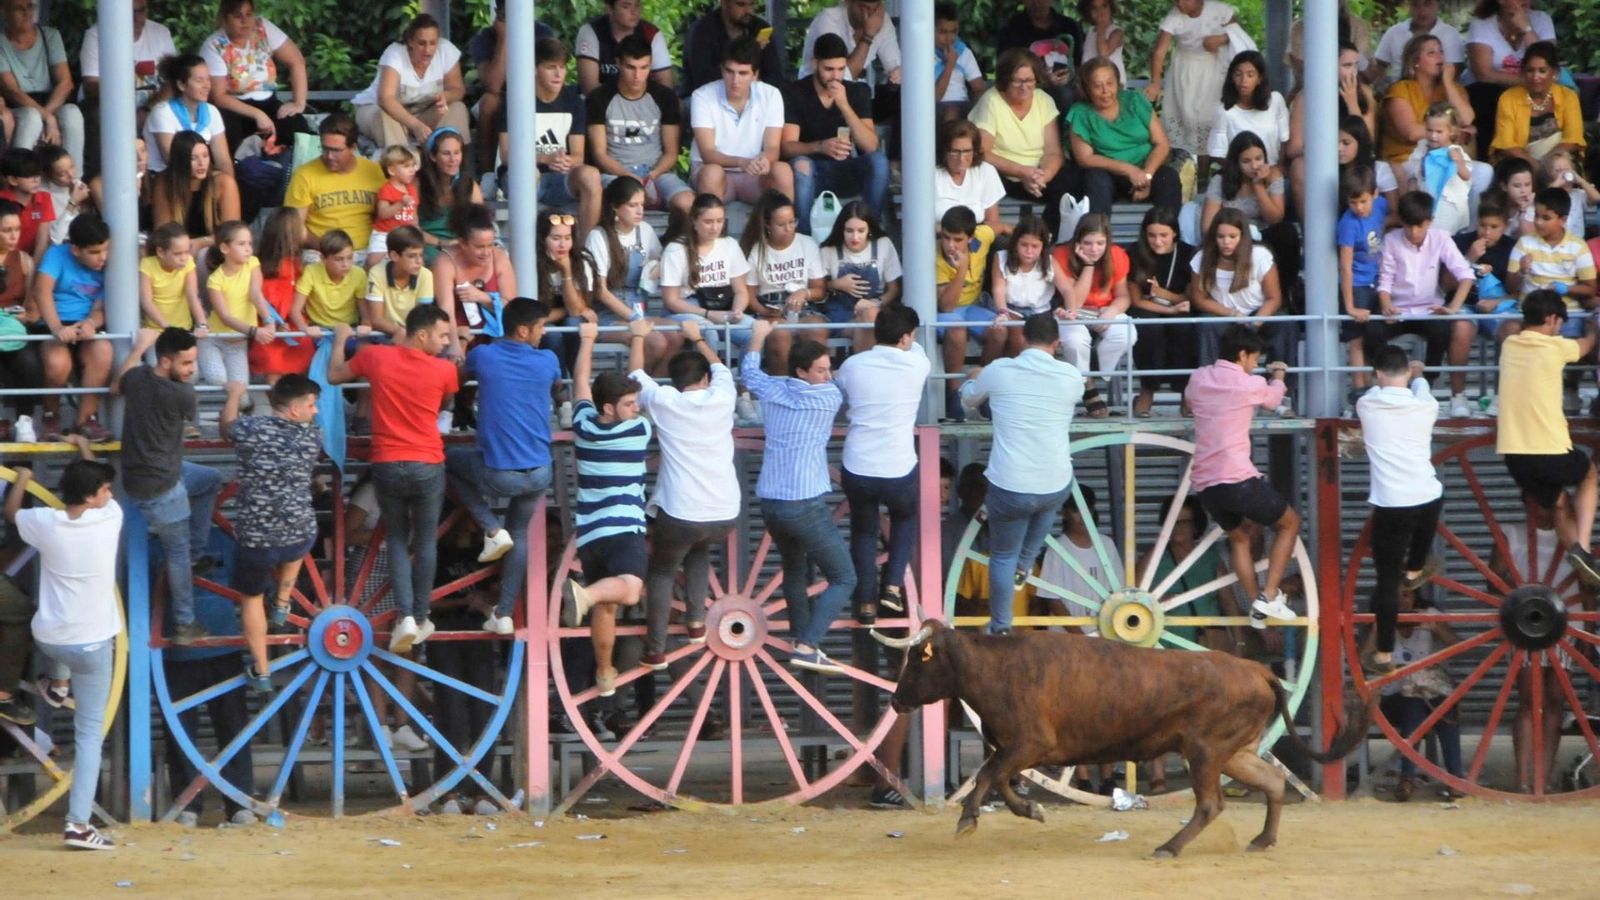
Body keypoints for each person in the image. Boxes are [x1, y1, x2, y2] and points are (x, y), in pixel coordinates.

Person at [7, 438, 120, 850]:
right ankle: (77, 824)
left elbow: (12, 512)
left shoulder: (46, 523)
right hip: (90, 647)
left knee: (60, 642)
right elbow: (95, 482)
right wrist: (85, 446)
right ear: (92, 498)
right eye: (105, 489)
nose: (110, 494)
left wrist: (21, 477)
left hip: (49, 640)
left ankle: (56, 685)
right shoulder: (109, 519)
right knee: (89, 736)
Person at [327, 305, 459, 652]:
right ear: (422, 335)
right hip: (428, 462)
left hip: (386, 462)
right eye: (443, 335)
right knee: (426, 541)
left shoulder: (376, 358)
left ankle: (405, 618)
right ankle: (421, 612)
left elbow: (334, 375)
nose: (448, 342)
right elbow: (447, 397)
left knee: (397, 539)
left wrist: (341, 338)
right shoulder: (445, 370)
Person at [959, 313, 1084, 634]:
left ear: (1023, 340)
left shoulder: (1000, 370)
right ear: (1056, 344)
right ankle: (1026, 563)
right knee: (1048, 500)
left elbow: (968, 400)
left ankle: (1000, 626)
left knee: (1001, 555)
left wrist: (975, 375)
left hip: (1010, 485)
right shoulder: (1071, 376)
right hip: (1054, 482)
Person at [741, 319, 856, 672]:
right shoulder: (829, 397)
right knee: (844, 578)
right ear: (803, 372)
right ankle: (807, 644)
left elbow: (749, 372)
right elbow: (837, 388)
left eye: (829, 369)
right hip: (804, 502)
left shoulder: (773, 390)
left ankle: (798, 637)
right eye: (821, 370)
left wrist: (759, 335)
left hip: (771, 502)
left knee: (793, 569)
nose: (828, 375)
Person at [445, 298, 559, 635]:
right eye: (541, 328)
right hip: (540, 472)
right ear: (524, 331)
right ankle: (504, 613)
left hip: (498, 474)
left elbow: (456, 380)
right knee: (521, 533)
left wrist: (462, 342)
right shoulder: (548, 360)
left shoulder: (485, 356)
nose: (544, 334)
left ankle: (491, 528)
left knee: (445, 460)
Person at [633, 318, 740, 670]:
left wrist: (637, 335)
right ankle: (695, 621)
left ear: (674, 382)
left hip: (680, 511)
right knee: (700, 549)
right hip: (725, 511)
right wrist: (697, 337)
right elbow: (722, 368)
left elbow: (635, 375)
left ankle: (656, 648)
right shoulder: (723, 397)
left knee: (662, 572)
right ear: (705, 379)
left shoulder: (665, 400)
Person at [1183, 324, 1301, 628]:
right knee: (1290, 524)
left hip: (1207, 485)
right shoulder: (1248, 383)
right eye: (1253, 359)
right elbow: (1273, 401)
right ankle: (1269, 594)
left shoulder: (1198, 378)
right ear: (1242, 354)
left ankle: (1256, 606)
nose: (1254, 365)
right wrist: (1278, 377)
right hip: (1237, 478)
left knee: (1238, 538)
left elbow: (1189, 402)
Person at [112, 327, 221, 645]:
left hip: (145, 476)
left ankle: (196, 553)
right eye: (187, 363)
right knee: (177, 553)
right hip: (162, 486)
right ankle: (185, 623)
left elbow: (115, 386)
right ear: (165, 361)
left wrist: (138, 348)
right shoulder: (183, 394)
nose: (193, 370)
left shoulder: (138, 379)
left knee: (210, 480)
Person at [566, 317, 652, 695]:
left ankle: (605, 673)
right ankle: (582, 595)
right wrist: (638, 337)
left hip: (590, 533)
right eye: (629, 404)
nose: (636, 409)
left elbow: (580, 382)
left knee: (606, 607)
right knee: (630, 591)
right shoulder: (637, 431)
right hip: (623, 528)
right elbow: (640, 373)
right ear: (611, 408)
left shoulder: (583, 426)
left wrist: (587, 341)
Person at [219, 374, 320, 691]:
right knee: (304, 539)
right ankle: (282, 602)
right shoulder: (312, 437)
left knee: (250, 598)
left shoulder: (250, 430)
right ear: (294, 410)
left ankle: (261, 671)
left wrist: (235, 392)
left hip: (256, 538)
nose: (315, 412)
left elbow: (226, 428)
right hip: (297, 532)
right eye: (311, 405)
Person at [1497, 290, 1600, 586]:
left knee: (1558, 504)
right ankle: (1581, 546)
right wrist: (1593, 327)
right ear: (1552, 319)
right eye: (1560, 323)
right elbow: (1586, 345)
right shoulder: (1555, 347)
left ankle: (1585, 568)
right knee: (1589, 474)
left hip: (1515, 457)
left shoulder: (1510, 345)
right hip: (1548, 450)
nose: (1560, 329)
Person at [834, 303, 929, 621]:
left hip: (858, 465)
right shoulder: (918, 365)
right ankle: (891, 586)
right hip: (898, 467)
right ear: (906, 337)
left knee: (863, 531)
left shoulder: (852, 366)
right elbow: (913, 348)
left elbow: (841, 392)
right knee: (904, 519)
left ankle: (864, 601)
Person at [1356, 347, 1444, 675]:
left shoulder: (1367, 404)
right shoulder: (1426, 406)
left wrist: (1392, 375)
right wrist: (1418, 374)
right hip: (1426, 497)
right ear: (1406, 372)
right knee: (1432, 504)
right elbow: (1420, 385)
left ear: (1377, 373)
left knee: (1386, 582)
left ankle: (1382, 654)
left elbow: (1379, 386)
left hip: (1391, 504)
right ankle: (1416, 567)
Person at [782, 34, 888, 235]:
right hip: (812, 171)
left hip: (846, 169)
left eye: (840, 69)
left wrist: (845, 106)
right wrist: (820, 146)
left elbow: (871, 146)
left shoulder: (857, 91)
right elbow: (787, 146)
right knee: (801, 165)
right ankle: (803, 239)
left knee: (879, 161)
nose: (835, 76)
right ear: (815, 64)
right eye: (828, 69)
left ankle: (872, 232)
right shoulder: (795, 92)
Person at [587, 35, 694, 221]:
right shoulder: (599, 98)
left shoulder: (665, 97)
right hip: (615, 175)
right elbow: (599, 154)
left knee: (688, 203)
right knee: (627, 201)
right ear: (618, 63)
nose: (637, 75)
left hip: (656, 173)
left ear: (651, 65)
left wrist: (652, 175)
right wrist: (628, 176)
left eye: (644, 68)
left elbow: (671, 152)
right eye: (631, 67)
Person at [1371, 191, 1477, 375]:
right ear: (1401, 222)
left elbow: (1465, 274)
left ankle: (1428, 380)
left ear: (1430, 221)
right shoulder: (1391, 240)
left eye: (1419, 226)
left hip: (1429, 310)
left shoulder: (1441, 237)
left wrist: (1453, 307)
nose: (1414, 232)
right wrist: (1387, 306)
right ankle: (1388, 380)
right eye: (1408, 226)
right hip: (1398, 310)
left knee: (1442, 330)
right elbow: (1385, 279)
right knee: (1373, 333)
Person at [969, 49, 1072, 235]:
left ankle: (1044, 238)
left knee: (1068, 184)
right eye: (1017, 81)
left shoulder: (1044, 100)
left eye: (1029, 81)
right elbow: (982, 152)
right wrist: (1022, 171)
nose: (1024, 87)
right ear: (1005, 80)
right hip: (1003, 174)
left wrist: (1042, 177)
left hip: (1037, 174)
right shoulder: (991, 101)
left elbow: (1053, 152)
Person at [1063, 56, 1182, 215]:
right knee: (1095, 179)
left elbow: (1161, 143)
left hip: (1146, 170)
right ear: (1087, 88)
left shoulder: (1135, 100)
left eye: (1110, 84)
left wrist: (1146, 177)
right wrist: (1128, 170)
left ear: (1118, 83)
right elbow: (1085, 158)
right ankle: (1097, 236)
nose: (1105, 91)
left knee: (1169, 177)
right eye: (1098, 86)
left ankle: (1166, 234)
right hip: (1108, 175)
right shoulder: (1080, 112)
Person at [33, 214, 112, 440]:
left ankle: (86, 419)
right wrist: (57, 327)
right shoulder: (56, 254)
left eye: (105, 250)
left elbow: (100, 306)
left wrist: (90, 323)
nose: (102, 258)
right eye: (95, 253)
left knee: (103, 351)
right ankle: (51, 414)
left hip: (86, 323)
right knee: (58, 363)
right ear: (76, 250)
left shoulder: (108, 265)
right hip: (54, 323)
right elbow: (42, 291)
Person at [689, 37, 793, 204]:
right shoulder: (702, 96)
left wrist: (765, 160)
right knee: (712, 172)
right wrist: (741, 162)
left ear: (755, 74)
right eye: (730, 72)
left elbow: (773, 147)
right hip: (715, 173)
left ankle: (782, 227)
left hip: (753, 175)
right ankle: (712, 228)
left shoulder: (771, 95)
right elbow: (707, 154)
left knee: (783, 170)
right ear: (721, 70)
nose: (735, 81)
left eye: (743, 73)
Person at [201, 0, 312, 153]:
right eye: (237, 16)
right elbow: (218, 96)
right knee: (228, 139)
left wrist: (299, 103)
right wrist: (257, 114)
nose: (244, 21)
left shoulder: (263, 28)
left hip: (269, 102)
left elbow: (296, 61)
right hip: (234, 108)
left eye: (249, 14)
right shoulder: (214, 45)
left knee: (298, 130)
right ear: (225, 18)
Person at [1054, 213, 1136, 418]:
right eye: (1087, 243)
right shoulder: (1061, 254)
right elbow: (1076, 302)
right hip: (1071, 310)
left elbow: (1124, 296)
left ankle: (1093, 370)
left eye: (1100, 243)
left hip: (1104, 309)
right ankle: (1088, 385)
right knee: (1074, 341)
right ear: (1077, 241)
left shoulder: (1116, 254)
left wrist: (1111, 312)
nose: (1094, 249)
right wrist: (1088, 265)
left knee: (1128, 333)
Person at [1189, 208, 1290, 370]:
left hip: (1257, 315)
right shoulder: (1201, 258)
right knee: (1205, 325)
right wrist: (1232, 314)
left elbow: (1274, 298)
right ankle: (1209, 380)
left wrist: (1256, 321)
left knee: (1285, 324)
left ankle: (1281, 383)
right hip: (1223, 315)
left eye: (1232, 237)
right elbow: (1199, 299)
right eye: (1220, 237)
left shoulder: (1260, 255)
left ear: (1243, 236)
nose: (1226, 242)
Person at [353, 14, 470, 151]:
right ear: (410, 41)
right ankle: (400, 163)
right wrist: (415, 125)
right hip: (377, 110)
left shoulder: (446, 50)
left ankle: (453, 166)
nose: (427, 51)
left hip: (423, 113)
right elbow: (385, 99)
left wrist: (446, 96)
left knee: (458, 108)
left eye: (433, 43)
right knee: (385, 117)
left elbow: (457, 89)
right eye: (422, 43)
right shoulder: (395, 53)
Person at [740, 189, 827, 369]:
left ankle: (816, 385)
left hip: (803, 306)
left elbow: (819, 289)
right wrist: (765, 311)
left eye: (792, 222)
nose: (789, 229)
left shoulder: (807, 243)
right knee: (780, 333)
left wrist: (805, 293)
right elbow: (749, 295)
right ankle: (781, 385)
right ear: (768, 225)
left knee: (816, 329)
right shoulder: (757, 250)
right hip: (771, 306)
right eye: (781, 224)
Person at [1144, 0, 1239, 158]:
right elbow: (1159, 53)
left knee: (1210, 117)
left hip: (1214, 68)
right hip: (1185, 71)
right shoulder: (1174, 17)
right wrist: (1155, 83)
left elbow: (1237, 31)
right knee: (1188, 116)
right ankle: (1189, 170)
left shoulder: (1219, 9)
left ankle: (1210, 167)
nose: (1180, 4)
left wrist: (1221, 39)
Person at [1129, 205, 1198, 418]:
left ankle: (1186, 392)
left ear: (1174, 233)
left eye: (1163, 235)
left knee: (1185, 328)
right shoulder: (1134, 252)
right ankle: (1147, 390)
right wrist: (1169, 308)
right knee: (1148, 326)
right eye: (1152, 235)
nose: (1157, 241)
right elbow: (1136, 300)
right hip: (1148, 309)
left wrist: (1165, 295)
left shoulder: (1188, 253)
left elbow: (1192, 296)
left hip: (1180, 308)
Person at [1465, 0, 1557, 158]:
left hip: (1531, 91)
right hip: (1488, 92)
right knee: (1488, 95)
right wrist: (1531, 81)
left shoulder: (1542, 19)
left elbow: (1547, 63)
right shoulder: (1482, 23)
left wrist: (1527, 29)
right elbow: (1483, 73)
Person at [532, 38, 602, 239]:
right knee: (530, 173)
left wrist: (566, 160)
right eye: (551, 67)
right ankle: (530, 247)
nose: (558, 74)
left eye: (562, 67)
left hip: (561, 177)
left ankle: (586, 249)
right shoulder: (518, 97)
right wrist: (545, 158)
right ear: (535, 69)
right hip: (525, 178)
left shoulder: (574, 101)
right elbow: (508, 153)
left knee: (591, 175)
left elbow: (578, 154)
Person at [284, 113, 385, 253]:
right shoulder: (304, 175)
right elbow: (294, 227)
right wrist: (327, 249)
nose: (329, 156)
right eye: (325, 149)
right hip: (321, 251)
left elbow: (385, 215)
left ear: (353, 148)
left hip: (368, 250)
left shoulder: (373, 171)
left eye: (337, 151)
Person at [0, 0, 81, 167]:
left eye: (30, 6)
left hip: (50, 100)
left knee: (72, 113)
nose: (26, 12)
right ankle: (19, 174)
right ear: (4, 11)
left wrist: (48, 115)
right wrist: (47, 117)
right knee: (31, 117)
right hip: (19, 104)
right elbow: (11, 90)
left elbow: (65, 83)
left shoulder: (49, 35)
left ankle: (75, 178)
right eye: (19, 8)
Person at [431, 203, 517, 360]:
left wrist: (481, 297)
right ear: (462, 244)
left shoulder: (499, 257)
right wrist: (455, 346)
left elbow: (512, 306)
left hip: (495, 336)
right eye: (479, 247)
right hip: (456, 333)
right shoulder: (445, 262)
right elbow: (446, 310)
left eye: (490, 245)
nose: (486, 252)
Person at [818, 201, 901, 352]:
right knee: (868, 324)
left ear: (869, 230)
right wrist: (836, 284)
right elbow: (818, 288)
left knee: (871, 315)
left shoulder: (883, 244)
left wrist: (875, 302)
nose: (855, 237)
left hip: (877, 308)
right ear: (841, 230)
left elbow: (894, 289)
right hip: (841, 311)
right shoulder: (828, 250)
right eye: (849, 231)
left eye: (861, 231)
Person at [1381, 34, 1476, 167]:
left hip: (1445, 158)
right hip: (1407, 158)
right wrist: (1455, 131)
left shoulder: (1454, 89)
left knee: (1485, 172)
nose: (1440, 56)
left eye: (1441, 51)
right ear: (1415, 61)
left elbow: (1466, 119)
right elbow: (1412, 133)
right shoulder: (1401, 89)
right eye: (1431, 53)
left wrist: (1448, 82)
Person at [201, 220, 274, 391]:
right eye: (242, 244)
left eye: (250, 243)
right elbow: (225, 317)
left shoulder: (253, 263)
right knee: (217, 379)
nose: (248, 248)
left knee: (241, 393)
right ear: (225, 248)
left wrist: (269, 320)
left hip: (238, 344)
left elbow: (256, 293)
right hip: (213, 340)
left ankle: (235, 411)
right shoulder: (215, 280)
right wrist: (255, 331)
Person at [1488, 41, 1583, 165]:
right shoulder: (1508, 98)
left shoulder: (1568, 96)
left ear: (1554, 73)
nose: (1535, 77)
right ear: (1523, 72)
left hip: (1558, 163)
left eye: (1542, 71)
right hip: (1520, 164)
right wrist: (1534, 166)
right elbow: (1505, 143)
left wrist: (1549, 165)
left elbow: (1573, 139)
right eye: (1530, 70)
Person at [1338, 165, 1387, 400]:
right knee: (1356, 339)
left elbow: (1393, 213)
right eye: (1353, 202)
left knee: (1374, 336)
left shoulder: (1380, 206)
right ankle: (1359, 389)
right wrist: (1349, 305)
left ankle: (1376, 387)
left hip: (1377, 282)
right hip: (1357, 284)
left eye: (1363, 201)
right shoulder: (1348, 223)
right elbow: (1345, 266)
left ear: (1374, 194)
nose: (1358, 208)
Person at [990, 213, 1067, 359]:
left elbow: (1067, 289)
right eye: (1024, 245)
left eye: (1035, 246)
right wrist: (1003, 312)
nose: (1029, 251)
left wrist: (1071, 310)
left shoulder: (1049, 262)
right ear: (1015, 243)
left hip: (1041, 312)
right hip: (1011, 310)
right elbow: (998, 289)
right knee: (1018, 340)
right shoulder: (1001, 258)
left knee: (1043, 343)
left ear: (1043, 246)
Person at [151, 132, 241, 254]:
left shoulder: (223, 183)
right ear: (181, 160)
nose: (201, 163)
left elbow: (233, 233)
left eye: (205, 156)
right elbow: (162, 232)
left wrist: (201, 242)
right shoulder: (165, 183)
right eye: (193, 158)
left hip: (213, 249)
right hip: (177, 250)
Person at [144, 54, 232, 177]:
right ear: (181, 85)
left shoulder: (212, 111)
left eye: (208, 79)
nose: (207, 85)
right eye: (199, 80)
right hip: (167, 179)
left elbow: (223, 162)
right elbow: (172, 161)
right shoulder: (163, 112)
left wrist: (227, 182)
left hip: (200, 177)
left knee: (226, 181)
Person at [79, 0, 175, 112]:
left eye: (141, 10)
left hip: (152, 108)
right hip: (110, 108)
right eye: (130, 12)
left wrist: (148, 110)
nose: (137, 18)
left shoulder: (160, 32)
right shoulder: (96, 35)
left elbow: (173, 82)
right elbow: (91, 85)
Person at [1205, 51, 1289, 173]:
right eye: (1238, 74)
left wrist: (1276, 169)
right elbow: (1218, 153)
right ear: (1232, 77)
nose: (1243, 80)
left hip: (1273, 172)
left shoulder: (1275, 101)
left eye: (1250, 75)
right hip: (1240, 177)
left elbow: (1284, 139)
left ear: (1259, 78)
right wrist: (1247, 171)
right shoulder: (1224, 111)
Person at [993, 0, 1085, 109]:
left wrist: (1071, 76)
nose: (1037, 2)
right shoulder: (1012, 28)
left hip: (1066, 85)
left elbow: (1081, 63)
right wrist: (1040, 80)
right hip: (1027, 85)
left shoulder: (1069, 26)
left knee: (1068, 94)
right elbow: (1005, 68)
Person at [1403, 103, 1477, 237]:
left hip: (1448, 203)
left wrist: (1458, 162)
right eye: (1429, 130)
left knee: (1436, 236)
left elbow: (1466, 176)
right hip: (1426, 202)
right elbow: (1414, 176)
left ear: (1451, 131)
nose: (1433, 136)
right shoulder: (1422, 147)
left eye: (1439, 132)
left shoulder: (1455, 151)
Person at [683, 0, 786, 94]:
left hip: (757, 97)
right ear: (724, 3)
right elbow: (703, 79)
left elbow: (775, 76)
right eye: (741, 4)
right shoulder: (702, 32)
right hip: (707, 97)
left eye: (752, 4)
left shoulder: (760, 28)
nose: (748, 11)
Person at [576, 0, 675, 94]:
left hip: (644, 102)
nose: (634, 11)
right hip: (600, 103)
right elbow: (589, 88)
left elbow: (666, 85)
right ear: (609, 9)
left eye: (637, 5)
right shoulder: (591, 32)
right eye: (626, 6)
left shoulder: (651, 33)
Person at [1201, 131, 1286, 237]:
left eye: (1258, 158)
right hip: (1231, 237)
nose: (1254, 166)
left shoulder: (1273, 176)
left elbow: (1275, 219)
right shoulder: (1220, 180)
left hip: (1262, 233)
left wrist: (1258, 186)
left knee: (1286, 231)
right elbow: (1207, 226)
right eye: (1246, 161)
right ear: (1236, 162)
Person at [416, 127, 482, 262]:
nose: (453, 159)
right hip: (425, 243)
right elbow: (409, 226)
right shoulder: (418, 183)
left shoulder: (470, 186)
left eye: (457, 153)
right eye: (446, 153)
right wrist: (441, 243)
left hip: (460, 243)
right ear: (433, 156)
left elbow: (478, 223)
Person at [799, 0, 902, 84]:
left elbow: (895, 66)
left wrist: (897, 75)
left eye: (875, 9)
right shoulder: (828, 19)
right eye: (864, 7)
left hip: (851, 92)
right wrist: (868, 35)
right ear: (848, 2)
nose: (870, 14)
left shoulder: (881, 20)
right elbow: (841, 77)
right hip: (813, 92)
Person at [934, 119, 1007, 235]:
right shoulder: (931, 175)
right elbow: (920, 226)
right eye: (955, 151)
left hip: (976, 242)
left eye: (967, 151)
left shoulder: (986, 171)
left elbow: (992, 223)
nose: (961, 158)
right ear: (944, 150)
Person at [1370, 0, 1467, 88]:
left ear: (1437, 5)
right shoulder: (1394, 32)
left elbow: (1454, 71)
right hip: (1399, 91)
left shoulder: (1450, 34)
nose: (1421, 10)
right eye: (1415, 4)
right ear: (1409, 6)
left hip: (1439, 93)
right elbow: (1379, 66)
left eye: (1427, 4)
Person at [361, 226, 431, 341]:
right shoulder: (377, 273)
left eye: (421, 255)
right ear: (394, 256)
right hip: (382, 334)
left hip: (413, 335)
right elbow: (376, 320)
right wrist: (399, 331)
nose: (419, 262)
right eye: (412, 256)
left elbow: (422, 318)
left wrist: (407, 335)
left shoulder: (426, 275)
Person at [139, 222, 205, 335]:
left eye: (187, 252)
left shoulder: (188, 262)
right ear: (160, 252)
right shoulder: (147, 265)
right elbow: (147, 302)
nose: (184, 258)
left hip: (184, 329)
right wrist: (168, 328)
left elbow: (192, 295)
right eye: (177, 254)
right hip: (155, 330)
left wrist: (202, 324)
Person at [366, 145, 420, 267]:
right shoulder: (387, 189)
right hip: (384, 233)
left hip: (404, 234)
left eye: (413, 165)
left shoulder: (412, 190)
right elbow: (383, 213)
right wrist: (400, 204)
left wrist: (416, 228)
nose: (412, 170)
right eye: (406, 166)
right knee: (373, 261)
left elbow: (414, 214)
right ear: (392, 170)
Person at [934, 4, 986, 120]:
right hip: (934, 107)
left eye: (953, 32)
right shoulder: (923, 55)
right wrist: (949, 65)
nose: (949, 38)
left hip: (962, 105)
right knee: (951, 113)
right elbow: (935, 96)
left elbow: (979, 88)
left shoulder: (963, 52)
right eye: (943, 32)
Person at [0, 146, 50, 261]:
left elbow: (42, 241)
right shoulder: (2, 199)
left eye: (38, 175)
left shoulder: (45, 199)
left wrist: (32, 267)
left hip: (30, 259)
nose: (36, 180)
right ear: (13, 180)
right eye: (29, 176)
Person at [1079, 0, 1127, 81]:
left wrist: (1101, 27)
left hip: (1113, 82)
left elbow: (1103, 53)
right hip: (1091, 81)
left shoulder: (1117, 31)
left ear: (1111, 8)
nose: (1100, 11)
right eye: (1094, 8)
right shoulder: (1091, 31)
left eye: (1104, 6)